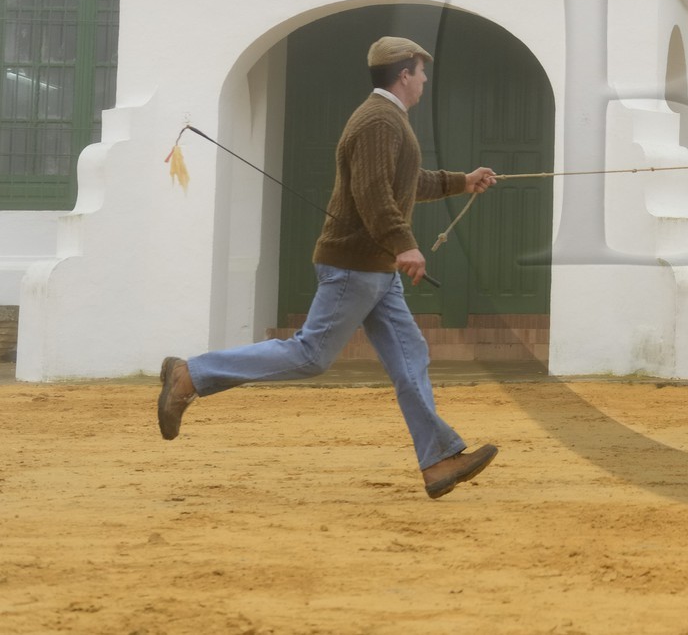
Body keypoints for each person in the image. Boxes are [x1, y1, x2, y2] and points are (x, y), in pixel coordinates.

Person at [157, 36, 501, 499]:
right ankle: (190, 375)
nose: (424, 80)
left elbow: (403, 183)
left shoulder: (388, 119)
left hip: (376, 270)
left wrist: (462, 181)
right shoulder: (378, 121)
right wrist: (405, 245)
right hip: (354, 267)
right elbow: (374, 194)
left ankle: (438, 460)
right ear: (404, 74)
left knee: (410, 358)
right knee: (310, 356)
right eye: (421, 72)